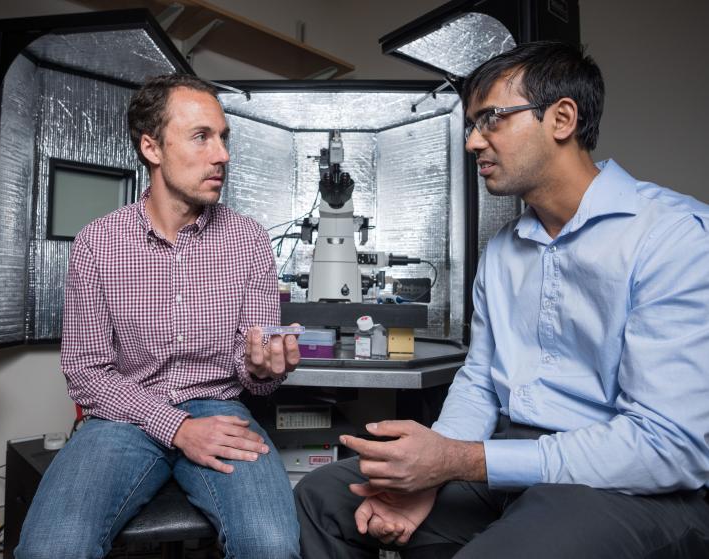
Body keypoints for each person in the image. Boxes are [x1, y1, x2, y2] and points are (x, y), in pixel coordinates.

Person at [295, 41, 709, 558]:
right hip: (508, 461)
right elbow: (481, 381)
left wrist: (461, 461)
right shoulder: (504, 249)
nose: (472, 142)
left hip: (626, 484)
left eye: (491, 119)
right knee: (323, 496)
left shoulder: (673, 237)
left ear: (561, 119)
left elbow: (669, 447)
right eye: (471, 124)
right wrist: (429, 467)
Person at [16, 74, 301, 559]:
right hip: (122, 416)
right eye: (201, 137)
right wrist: (177, 428)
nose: (222, 155)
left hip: (219, 410)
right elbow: (86, 373)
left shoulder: (248, 240)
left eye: (223, 137)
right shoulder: (98, 242)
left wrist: (260, 369)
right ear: (152, 147)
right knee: (50, 548)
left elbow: (253, 378)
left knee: (271, 545)